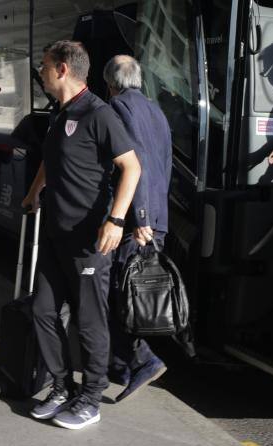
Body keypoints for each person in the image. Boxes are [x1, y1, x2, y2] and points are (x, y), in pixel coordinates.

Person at [22, 41, 141, 430]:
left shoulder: (98, 113)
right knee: (42, 309)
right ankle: (61, 387)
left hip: (89, 240)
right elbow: (51, 157)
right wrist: (34, 190)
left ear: (61, 69)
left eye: (43, 67)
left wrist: (117, 220)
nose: (40, 73)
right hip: (56, 233)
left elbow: (132, 168)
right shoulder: (61, 115)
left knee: (89, 322)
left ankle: (91, 398)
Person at [103, 55, 170, 402]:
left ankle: (142, 359)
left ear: (110, 83)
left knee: (118, 294)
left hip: (134, 220)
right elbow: (165, 164)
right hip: (155, 215)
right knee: (128, 293)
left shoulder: (118, 109)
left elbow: (136, 162)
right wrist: (154, 216)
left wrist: (139, 218)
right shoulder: (155, 110)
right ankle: (119, 365)